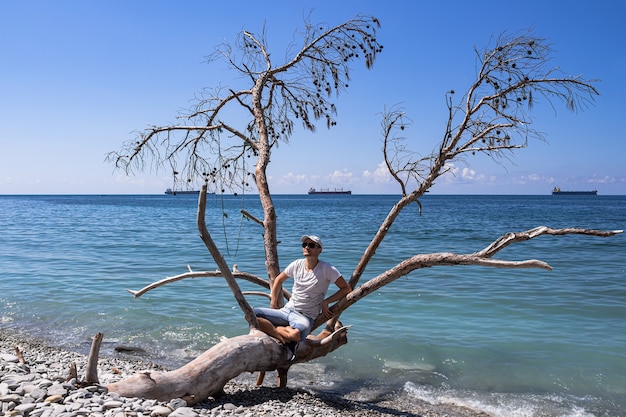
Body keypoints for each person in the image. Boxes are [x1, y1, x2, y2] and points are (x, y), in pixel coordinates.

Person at [253, 235, 351, 359]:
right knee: (252, 314)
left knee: (296, 335)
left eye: (311, 245)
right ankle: (281, 337)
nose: (307, 247)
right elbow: (278, 279)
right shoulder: (297, 264)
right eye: (304, 245)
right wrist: (273, 303)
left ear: (319, 250)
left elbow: (346, 289)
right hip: (286, 311)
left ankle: (278, 331)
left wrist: (326, 302)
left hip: (305, 316)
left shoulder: (327, 269)